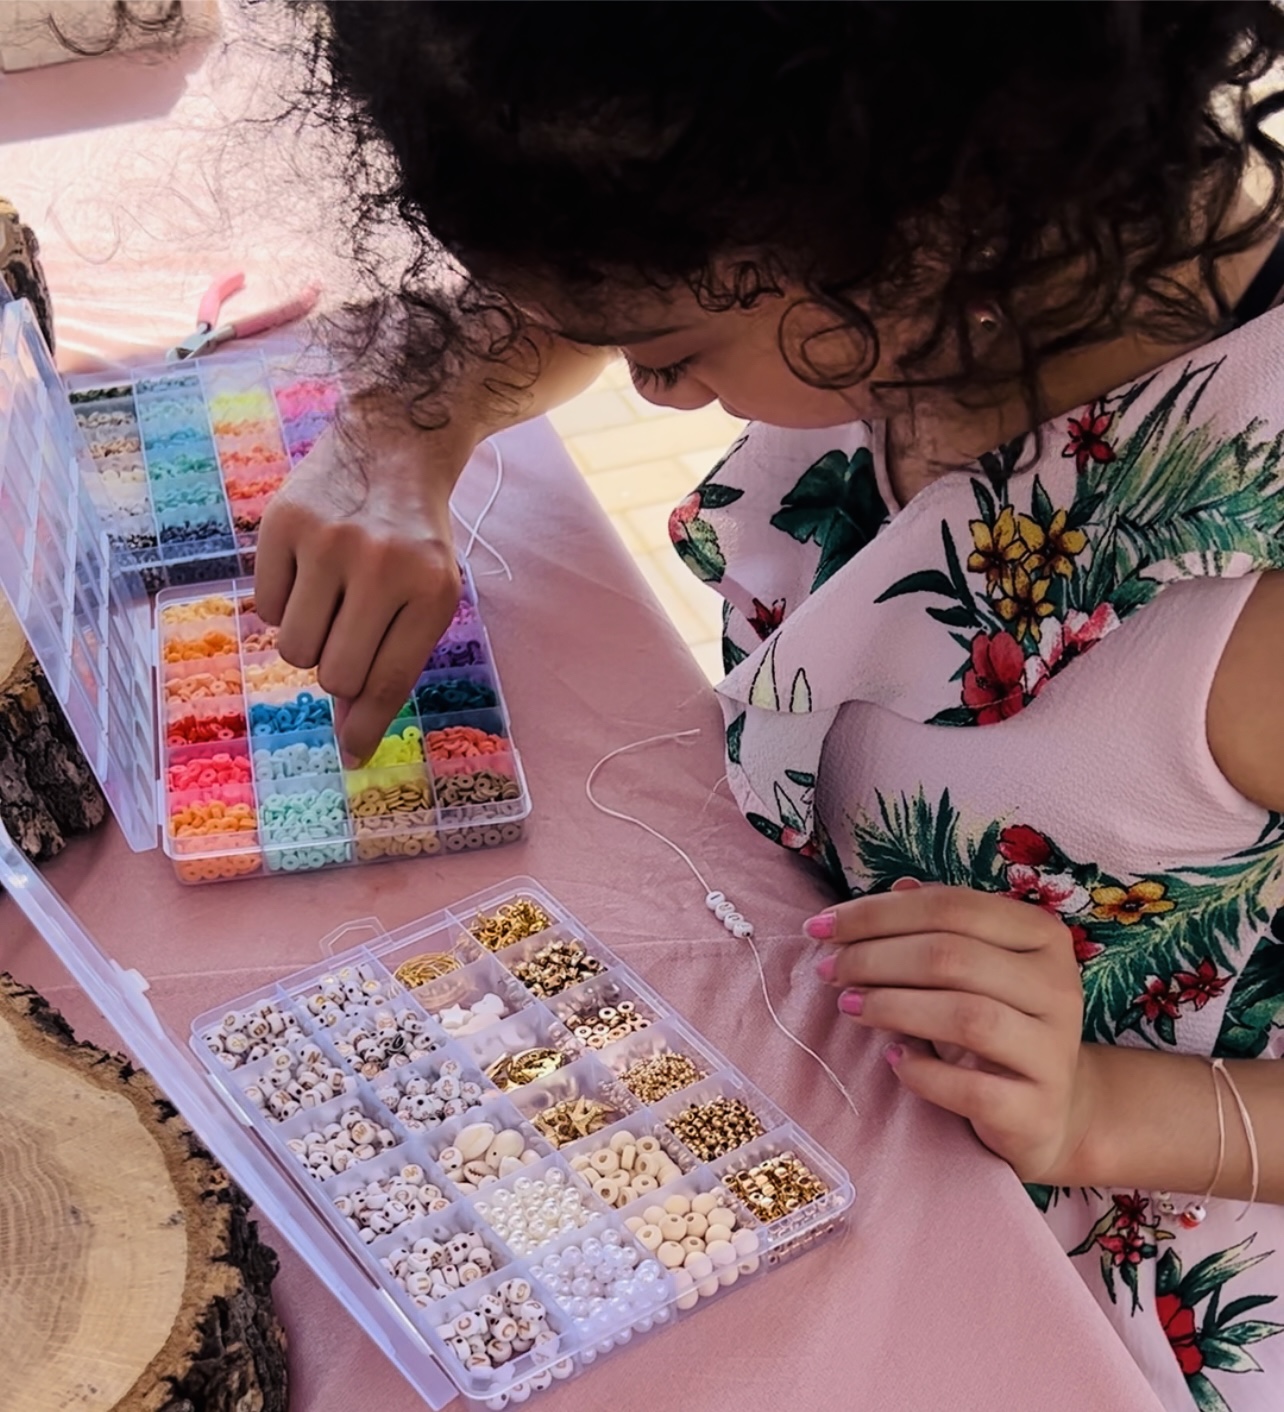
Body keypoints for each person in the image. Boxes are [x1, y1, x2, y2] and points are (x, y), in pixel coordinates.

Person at [257, 5, 1284, 1405]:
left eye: (667, 352)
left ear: (928, 213)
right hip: (834, 1077)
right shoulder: (948, 254)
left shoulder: (1253, 606)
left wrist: (1118, 1109)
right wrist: (407, 424)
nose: (653, 396)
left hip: (1123, 1260)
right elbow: (618, 258)